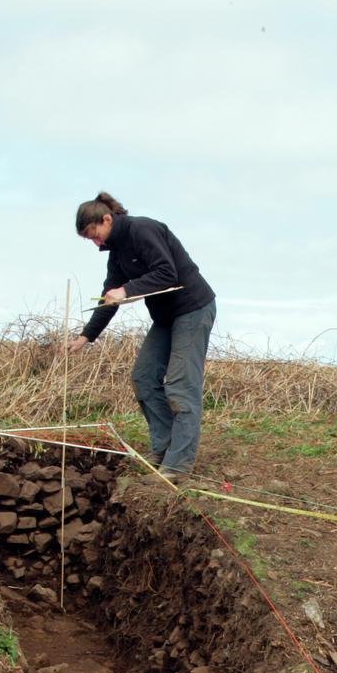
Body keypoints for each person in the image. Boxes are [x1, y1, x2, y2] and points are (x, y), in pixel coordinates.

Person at [67, 192, 217, 476]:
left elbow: (166, 273)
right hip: (165, 317)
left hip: (193, 309)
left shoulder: (142, 229)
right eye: (90, 239)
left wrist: (126, 291)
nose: (95, 242)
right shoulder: (117, 252)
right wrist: (86, 336)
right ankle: (164, 448)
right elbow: (109, 296)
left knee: (180, 385)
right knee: (144, 378)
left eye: (94, 234)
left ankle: (178, 464)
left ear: (107, 219)